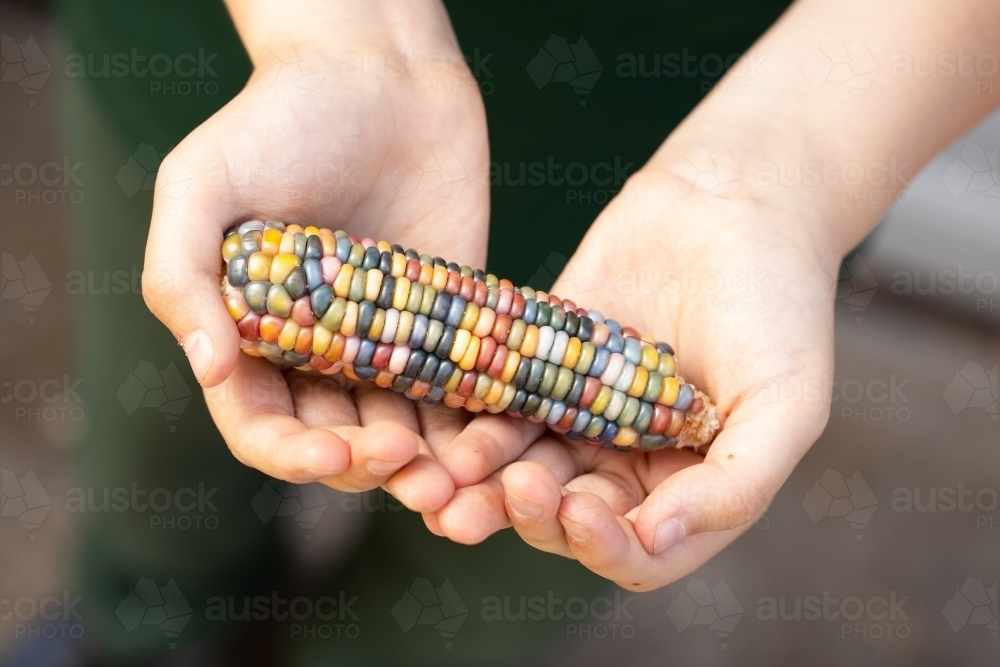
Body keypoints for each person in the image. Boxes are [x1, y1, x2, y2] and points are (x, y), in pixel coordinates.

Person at [49, 0, 1000, 663]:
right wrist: (344, 35)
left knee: (498, 565)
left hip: (720, 141)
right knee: (159, 466)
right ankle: (142, 632)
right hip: (251, 79)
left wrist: (784, 176)